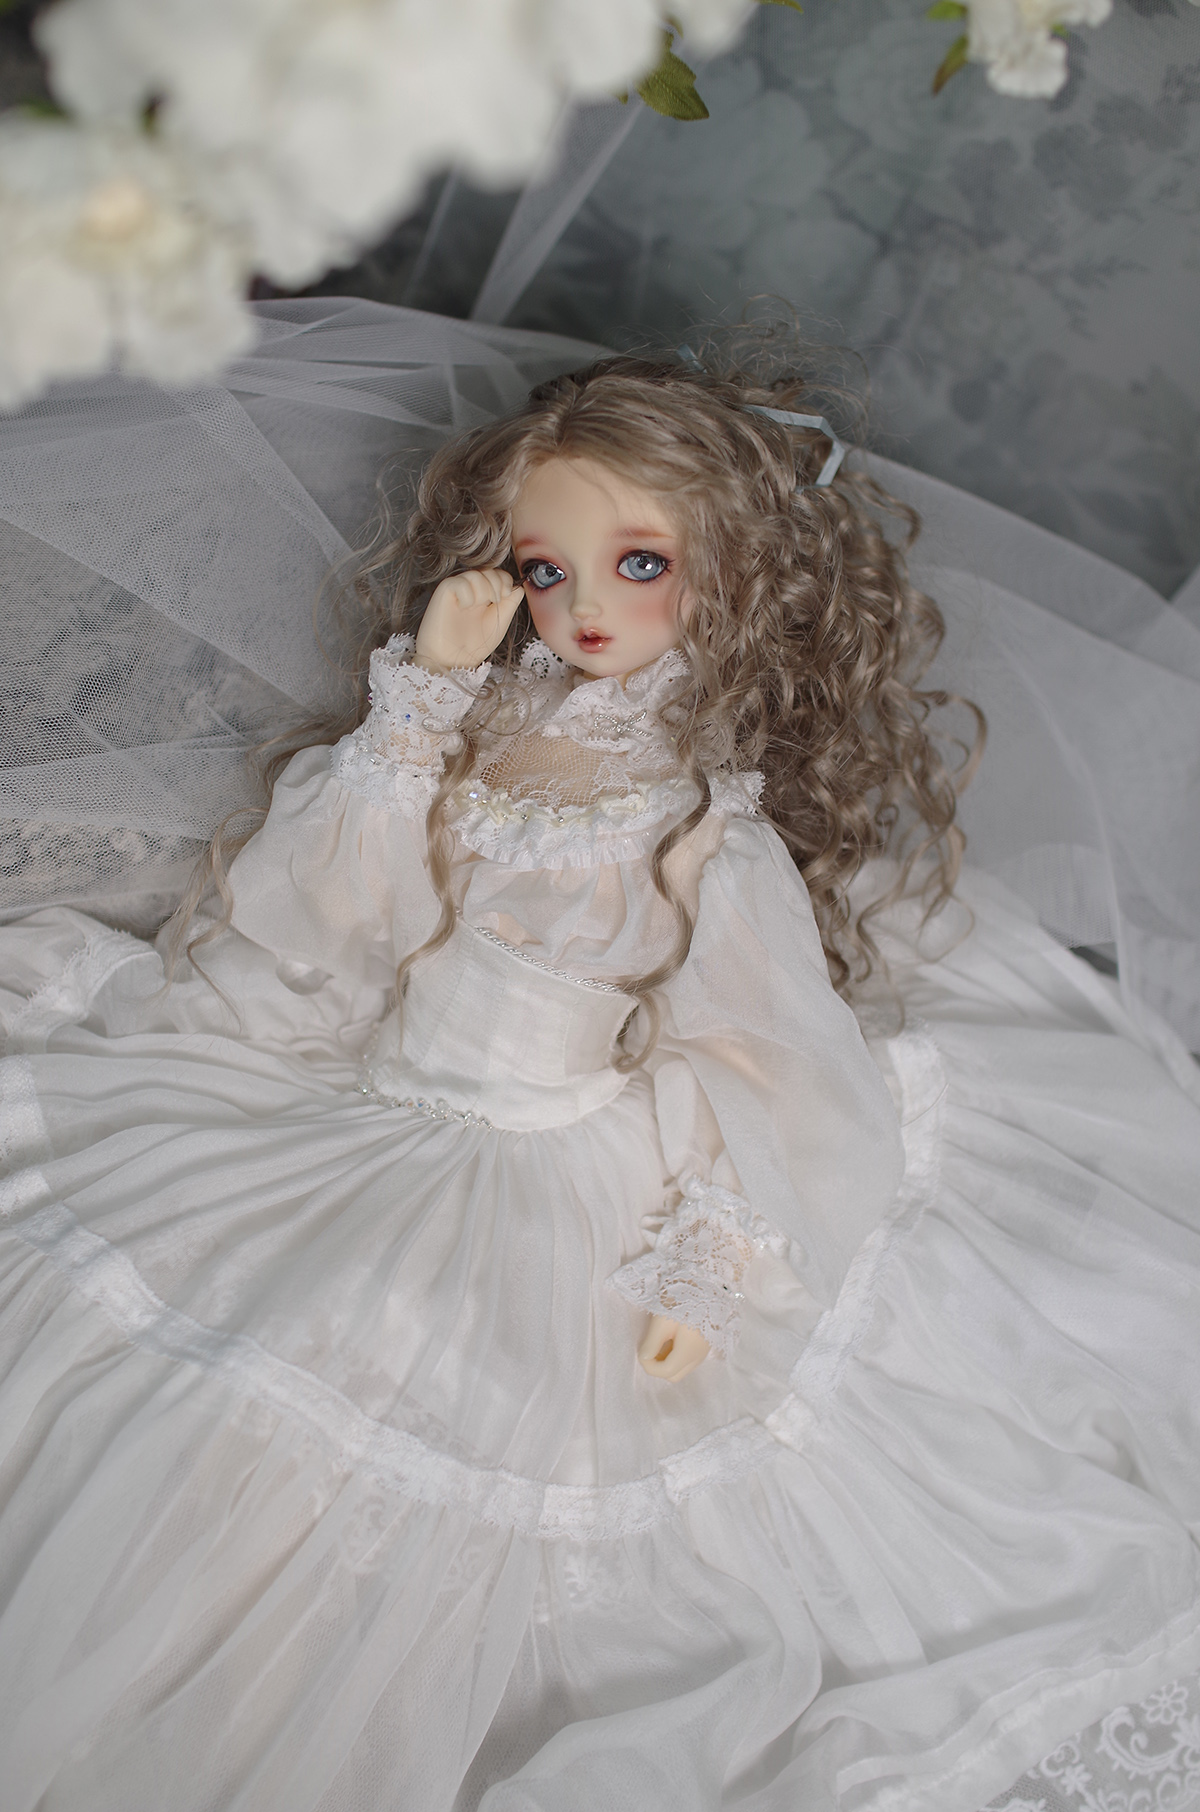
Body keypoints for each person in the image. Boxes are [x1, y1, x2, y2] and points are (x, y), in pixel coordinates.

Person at [0, 350, 1197, 1812]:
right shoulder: (483, 731)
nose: (583, 609)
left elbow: (759, 1056)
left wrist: (710, 1259)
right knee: (195, 1345)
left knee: (439, 1430)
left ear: (726, 571)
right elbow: (340, 910)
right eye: (543, 567)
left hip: (546, 1154)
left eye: (639, 564)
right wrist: (425, 698)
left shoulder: (697, 824)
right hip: (377, 1100)